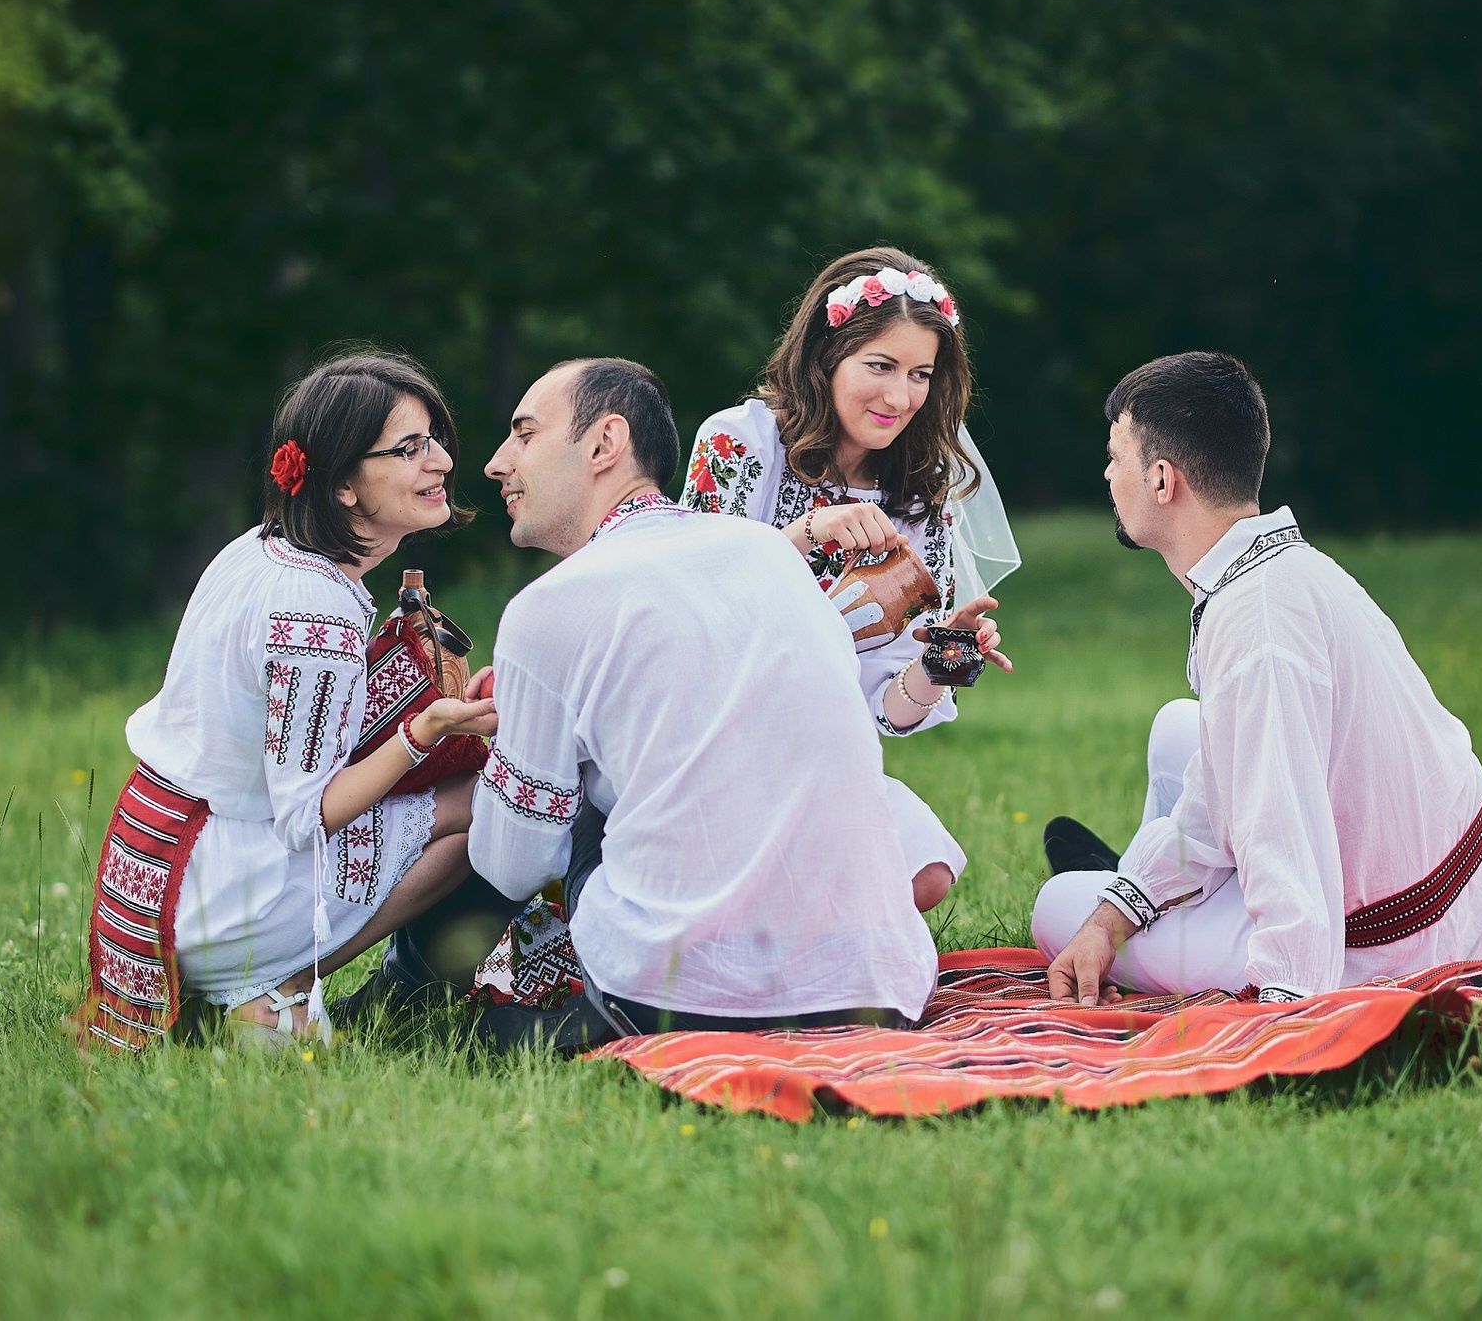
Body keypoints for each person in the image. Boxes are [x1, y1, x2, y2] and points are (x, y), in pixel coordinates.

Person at [470, 356, 938, 1038]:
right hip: (876, 984)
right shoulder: (772, 554)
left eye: (524, 433)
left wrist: (498, 753)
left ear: (605, 443)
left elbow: (510, 866)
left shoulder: (547, 608)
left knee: (553, 824)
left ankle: (463, 988)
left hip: (671, 998)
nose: (496, 461)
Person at [1034, 352, 1482, 1005]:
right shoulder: (1278, 569)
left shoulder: (1256, 625)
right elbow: (1223, 785)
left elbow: (1281, 825)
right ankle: (1153, 889)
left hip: (1404, 945)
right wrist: (1119, 911)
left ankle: (1158, 897)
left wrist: (1289, 997)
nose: (1106, 473)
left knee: (1056, 908)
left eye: (1115, 455)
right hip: (1467, 889)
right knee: (1178, 728)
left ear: (1160, 480)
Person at [74, 350, 498, 1051]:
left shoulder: (260, 548)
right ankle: (274, 982)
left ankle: (260, 992)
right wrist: (423, 729)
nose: (443, 463)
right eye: (409, 448)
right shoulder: (317, 610)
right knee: (481, 803)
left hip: (156, 863)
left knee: (461, 791)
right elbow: (306, 814)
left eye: (436, 441)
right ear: (343, 488)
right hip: (216, 883)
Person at [680, 247, 1016, 912]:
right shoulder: (741, 443)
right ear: (827, 354)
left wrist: (943, 662)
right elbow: (686, 601)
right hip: (705, 746)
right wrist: (807, 533)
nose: (901, 396)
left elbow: (883, 713)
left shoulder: (919, 503)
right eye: (881, 365)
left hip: (819, 762)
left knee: (927, 870)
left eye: (920, 373)